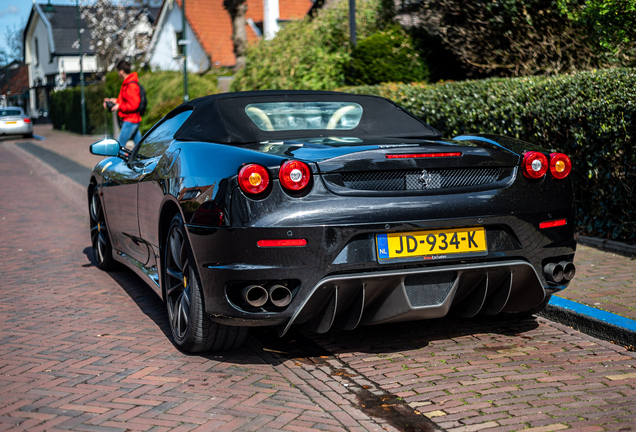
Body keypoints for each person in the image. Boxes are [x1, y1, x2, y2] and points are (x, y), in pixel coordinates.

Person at [104, 60, 142, 146]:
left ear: (121, 71)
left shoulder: (131, 85)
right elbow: (127, 101)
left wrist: (119, 106)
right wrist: (115, 101)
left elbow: (134, 105)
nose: (118, 73)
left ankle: (123, 160)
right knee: (140, 148)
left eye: (118, 71)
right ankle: (146, 159)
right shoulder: (126, 84)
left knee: (119, 147)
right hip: (132, 120)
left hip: (130, 120)